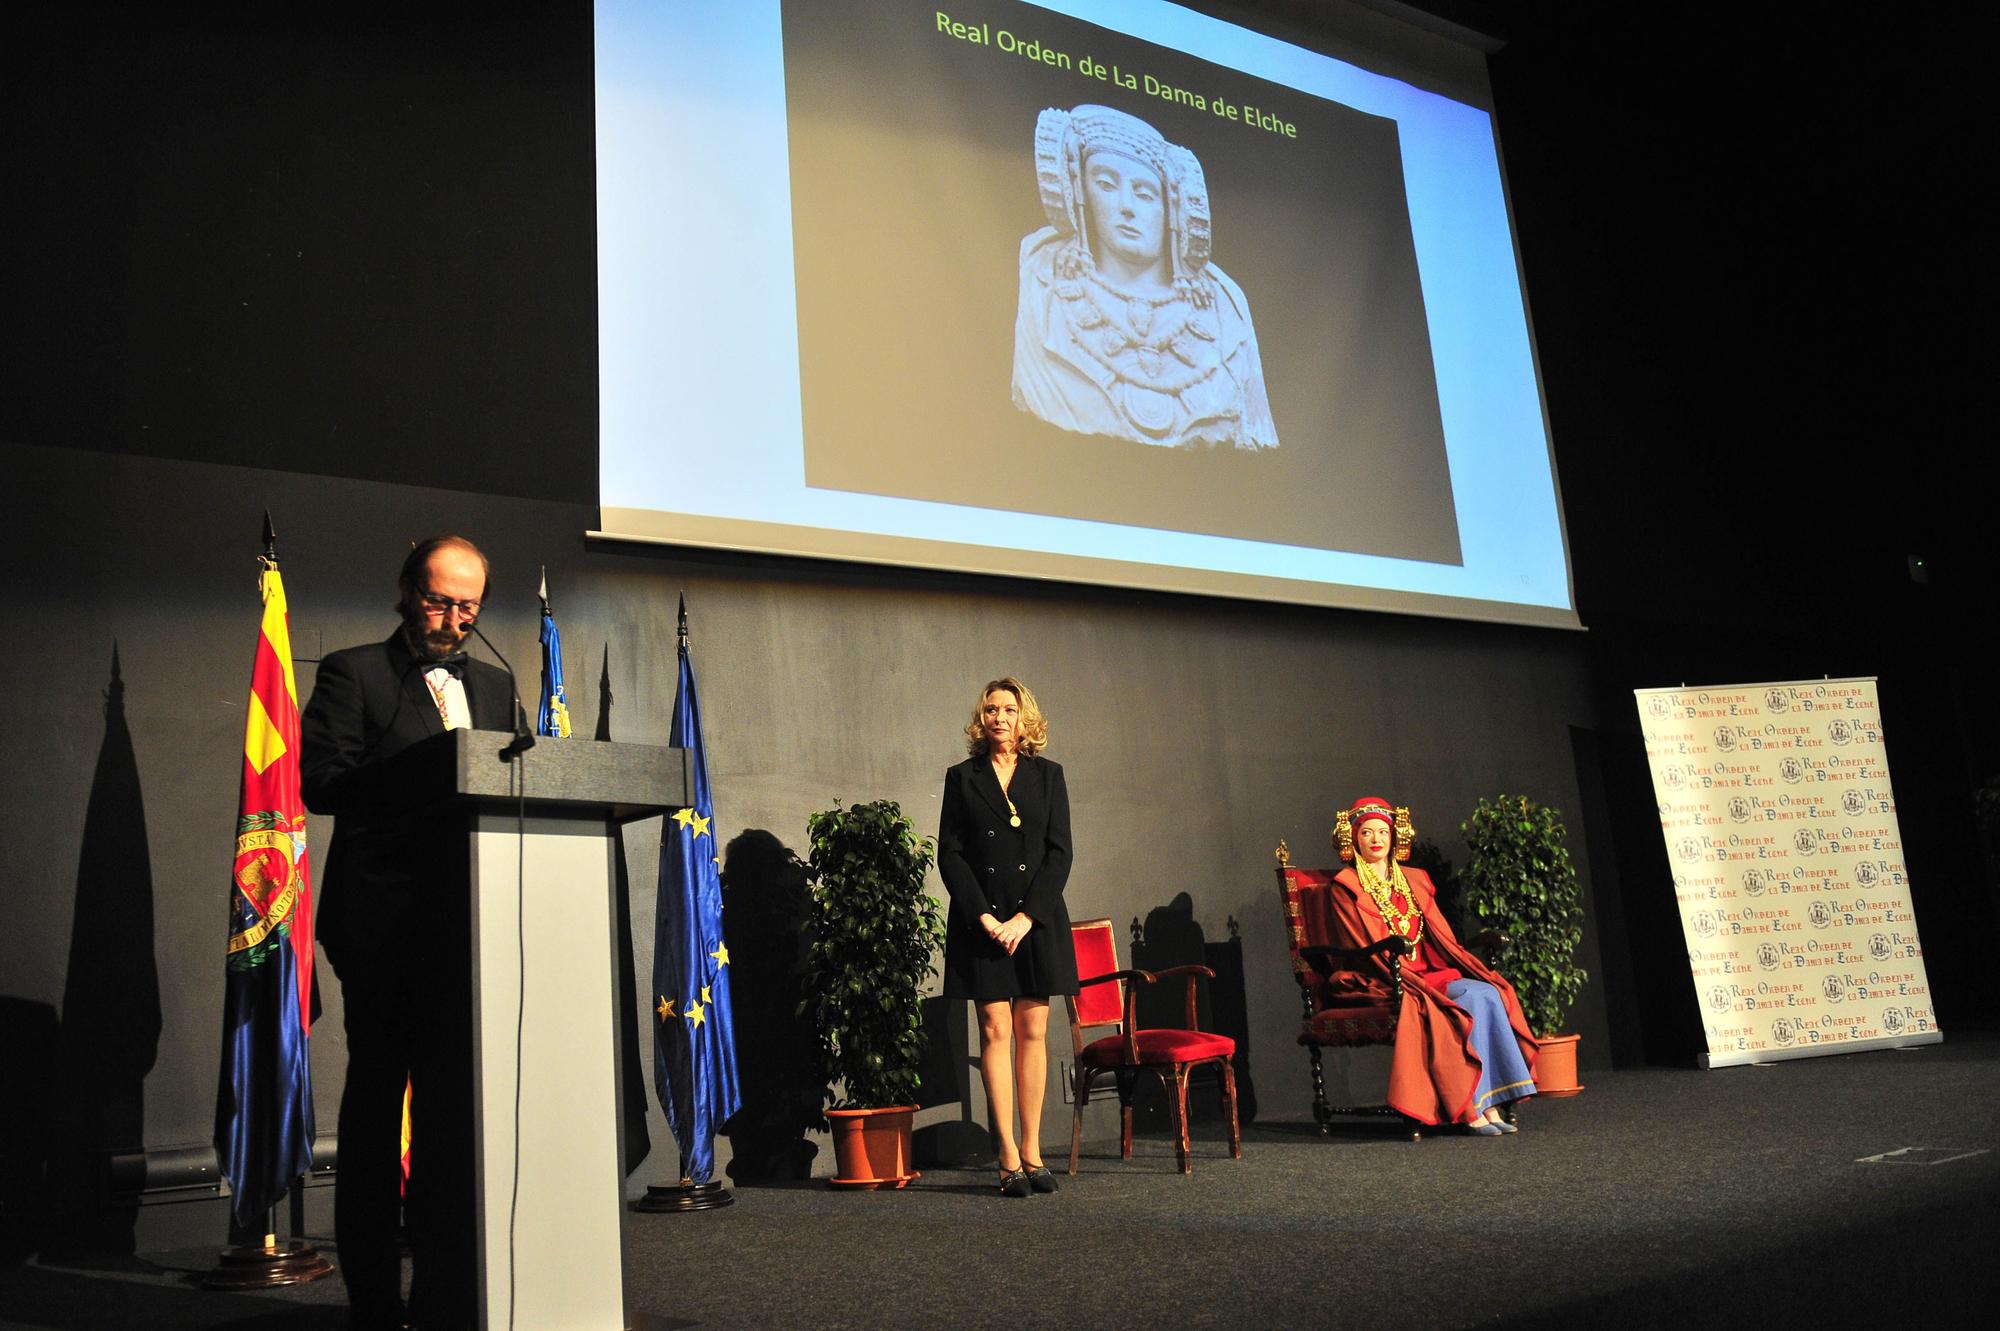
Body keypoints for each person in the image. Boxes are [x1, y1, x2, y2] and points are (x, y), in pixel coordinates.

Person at [301, 535, 515, 1328]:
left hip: (472, 929)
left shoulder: (497, 685)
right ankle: (372, 1296)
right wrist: (429, 773)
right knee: (377, 1106)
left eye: (468, 606)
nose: (453, 620)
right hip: (385, 928)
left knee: (455, 1116)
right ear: (404, 589)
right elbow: (321, 781)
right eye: (438, 600)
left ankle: (448, 1290)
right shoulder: (355, 673)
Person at [1012, 104, 1279, 451]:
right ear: (1080, 194)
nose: (1127, 206)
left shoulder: (1223, 307)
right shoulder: (1045, 278)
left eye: (1144, 193)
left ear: (1173, 209)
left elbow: (1255, 431)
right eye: (1106, 185)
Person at [936, 677, 1078, 1195]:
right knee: (995, 1029)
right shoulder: (962, 777)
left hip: (1033, 923)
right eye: (991, 708)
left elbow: (1060, 853)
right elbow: (949, 853)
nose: (1000, 716)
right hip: (985, 924)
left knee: (1034, 1032)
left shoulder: (1049, 776)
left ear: (1025, 718)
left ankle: (1035, 1152)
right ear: (982, 718)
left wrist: (1026, 918)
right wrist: (985, 918)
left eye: (1010, 709)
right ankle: (1006, 1156)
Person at [1328, 797, 1537, 1134]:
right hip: (1388, 975)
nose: (1376, 838)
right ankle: (1471, 1109)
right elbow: (1356, 944)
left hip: (1432, 968)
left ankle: (1494, 1102)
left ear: (1396, 837)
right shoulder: (1346, 887)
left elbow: (1439, 931)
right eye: (1366, 832)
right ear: (1354, 839)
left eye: (1383, 831)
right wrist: (1395, 956)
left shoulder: (1414, 878)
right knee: (1468, 1000)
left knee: (1488, 992)